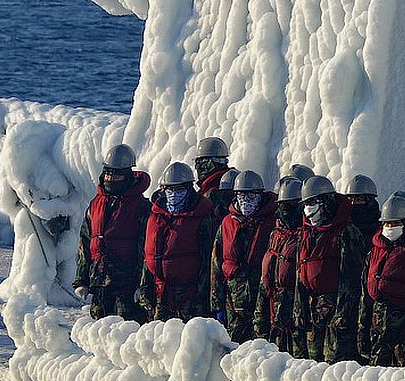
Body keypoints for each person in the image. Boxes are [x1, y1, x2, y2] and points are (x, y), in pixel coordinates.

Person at [74, 144, 152, 322]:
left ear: (127, 175)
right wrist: (82, 279)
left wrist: (143, 285)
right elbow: (86, 242)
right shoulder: (96, 205)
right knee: (100, 330)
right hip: (100, 281)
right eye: (108, 173)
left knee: (127, 331)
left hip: (128, 283)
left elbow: (147, 249)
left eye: (116, 174)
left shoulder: (141, 207)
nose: (110, 178)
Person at [293, 175, 365, 362]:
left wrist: (342, 315)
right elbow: (300, 273)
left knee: (334, 364)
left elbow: (351, 279)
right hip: (312, 309)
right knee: (311, 363)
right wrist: (299, 308)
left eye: (314, 202)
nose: (309, 209)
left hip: (336, 311)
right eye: (306, 204)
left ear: (327, 201)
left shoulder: (346, 233)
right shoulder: (306, 234)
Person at [138, 162, 215, 322]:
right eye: (169, 189)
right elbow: (149, 255)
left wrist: (202, 296)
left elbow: (207, 260)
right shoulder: (156, 217)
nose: (174, 193)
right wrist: (145, 286)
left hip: (190, 296)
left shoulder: (201, 218)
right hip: (161, 295)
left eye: (179, 189)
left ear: (189, 189)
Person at [362, 194, 405, 366]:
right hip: (378, 324)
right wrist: (362, 327)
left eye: (395, 224)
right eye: (387, 223)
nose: (390, 228)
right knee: (376, 373)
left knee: (403, 373)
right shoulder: (376, 251)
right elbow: (365, 291)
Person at [211, 170, 277, 342]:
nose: (246, 201)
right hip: (234, 303)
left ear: (260, 196)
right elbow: (216, 264)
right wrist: (217, 303)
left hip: (262, 303)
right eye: (242, 196)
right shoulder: (227, 224)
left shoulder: (273, 222)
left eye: (251, 196)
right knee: (234, 351)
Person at [254, 176, 304, 356]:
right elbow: (265, 276)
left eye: (290, 206)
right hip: (273, 312)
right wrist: (260, 316)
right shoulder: (276, 234)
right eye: (282, 206)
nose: (285, 211)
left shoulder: (305, 237)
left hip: (296, 319)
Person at [346, 173, 380, 362]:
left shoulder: (380, 231)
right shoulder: (343, 229)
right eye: (351, 199)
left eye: (359, 200)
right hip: (345, 296)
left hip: (370, 296)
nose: (354, 204)